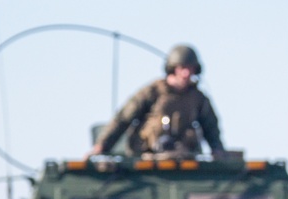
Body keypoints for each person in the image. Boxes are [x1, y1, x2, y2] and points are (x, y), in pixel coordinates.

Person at [86, 44, 224, 158]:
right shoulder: (152, 92)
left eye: (190, 69)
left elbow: (211, 127)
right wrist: (102, 145)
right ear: (173, 68)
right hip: (148, 158)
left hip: (184, 157)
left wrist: (217, 150)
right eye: (182, 68)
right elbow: (123, 118)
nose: (186, 74)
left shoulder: (198, 98)